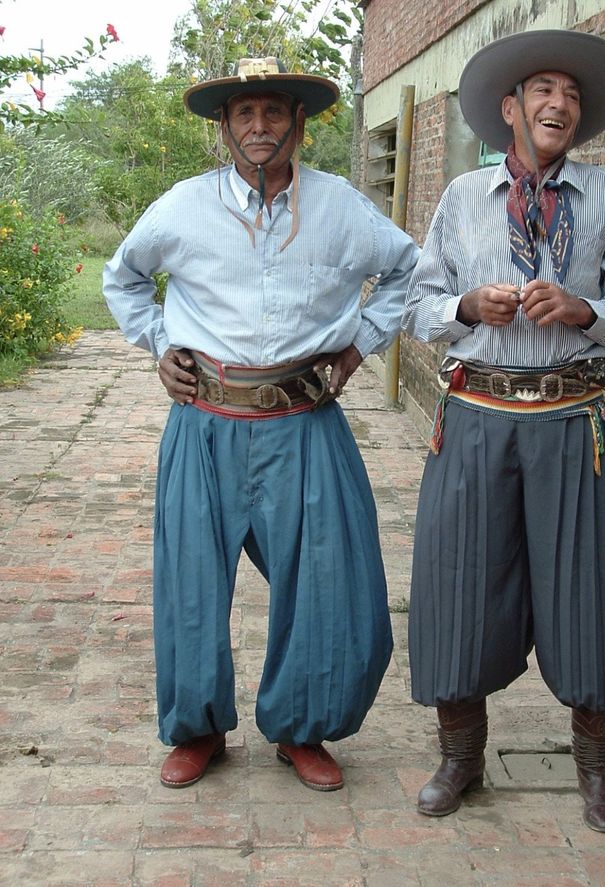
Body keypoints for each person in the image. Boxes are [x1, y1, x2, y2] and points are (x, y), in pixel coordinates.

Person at [103, 57, 419, 792]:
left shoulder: (341, 206)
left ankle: (301, 726)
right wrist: (158, 343)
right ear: (223, 126)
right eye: (243, 113)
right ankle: (198, 728)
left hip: (306, 422)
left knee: (330, 579)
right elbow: (121, 276)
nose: (258, 127)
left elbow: (409, 269)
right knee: (190, 581)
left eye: (273, 111)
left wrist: (359, 342)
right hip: (203, 422)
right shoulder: (182, 207)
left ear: (298, 121)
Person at [401, 30, 605, 833]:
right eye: (543, 90)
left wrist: (585, 309)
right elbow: (417, 306)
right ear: (510, 109)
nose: (559, 104)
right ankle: (460, 759)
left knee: (594, 597)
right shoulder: (459, 201)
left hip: (571, 421)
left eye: (572, 95)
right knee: (459, 588)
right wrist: (468, 307)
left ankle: (596, 775)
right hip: (475, 420)